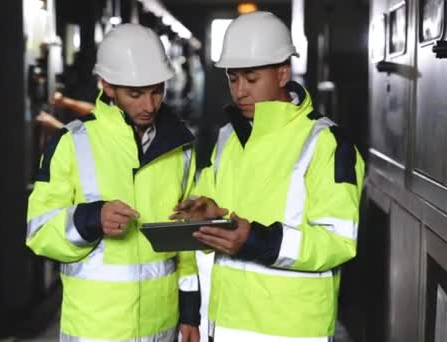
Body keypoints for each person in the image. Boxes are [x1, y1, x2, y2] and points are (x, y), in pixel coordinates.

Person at [172, 11, 365, 341]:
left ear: (282, 73)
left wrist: (255, 241)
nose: (240, 91)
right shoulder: (227, 138)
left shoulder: (327, 143)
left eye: (251, 78)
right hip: (225, 323)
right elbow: (213, 204)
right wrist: (203, 210)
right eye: (233, 79)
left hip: (292, 331)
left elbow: (337, 242)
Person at [26, 23, 201, 342]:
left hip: (161, 329)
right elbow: (39, 232)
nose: (149, 105)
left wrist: (190, 313)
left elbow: (185, 242)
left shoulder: (180, 149)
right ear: (107, 85)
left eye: (156, 90)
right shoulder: (72, 144)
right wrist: (90, 219)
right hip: (96, 331)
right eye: (135, 94)